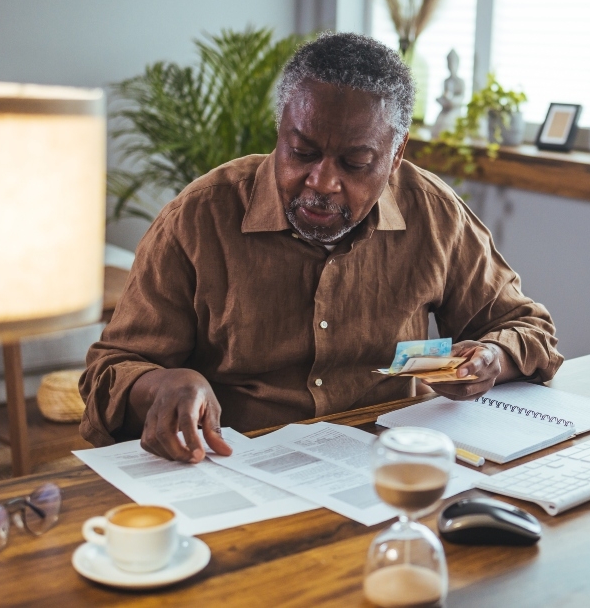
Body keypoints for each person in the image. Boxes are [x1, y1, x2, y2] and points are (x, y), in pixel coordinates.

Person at [79, 32, 562, 462]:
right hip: (236, 464)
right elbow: (109, 371)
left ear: (396, 154)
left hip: (390, 465)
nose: (322, 182)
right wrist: (159, 384)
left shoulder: (433, 213)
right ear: (280, 132)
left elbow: (527, 327)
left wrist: (492, 358)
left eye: (355, 162)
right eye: (303, 152)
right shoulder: (200, 216)